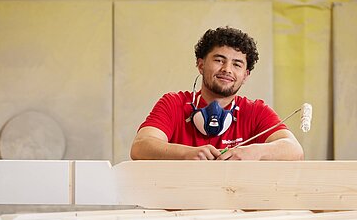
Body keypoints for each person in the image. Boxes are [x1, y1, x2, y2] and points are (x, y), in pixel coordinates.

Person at [130, 26, 304, 161]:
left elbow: (295, 151)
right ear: (200, 65)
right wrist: (186, 154)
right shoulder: (173, 103)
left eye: (237, 64)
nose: (226, 69)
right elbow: (140, 147)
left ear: (245, 75)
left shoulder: (256, 111)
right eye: (219, 60)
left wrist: (255, 152)